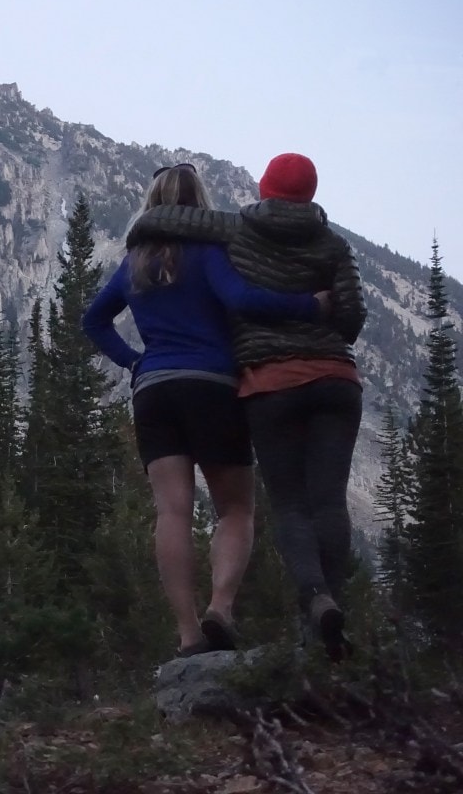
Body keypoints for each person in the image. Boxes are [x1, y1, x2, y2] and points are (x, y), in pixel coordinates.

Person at [82, 163, 329, 657]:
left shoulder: (135, 260)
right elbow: (243, 298)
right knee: (236, 508)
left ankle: (189, 634)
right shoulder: (210, 251)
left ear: (152, 202)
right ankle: (221, 606)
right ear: (200, 202)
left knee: (171, 509)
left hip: (154, 390)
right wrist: (309, 306)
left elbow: (94, 320)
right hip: (213, 386)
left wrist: (135, 362)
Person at [126, 153, 366, 661]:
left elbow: (176, 230)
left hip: (258, 383)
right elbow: (347, 318)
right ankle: (310, 614)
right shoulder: (333, 244)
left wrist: (134, 361)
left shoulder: (236, 232)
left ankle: (211, 627)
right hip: (314, 380)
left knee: (266, 506)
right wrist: (315, 308)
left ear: (264, 187)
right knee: (311, 502)